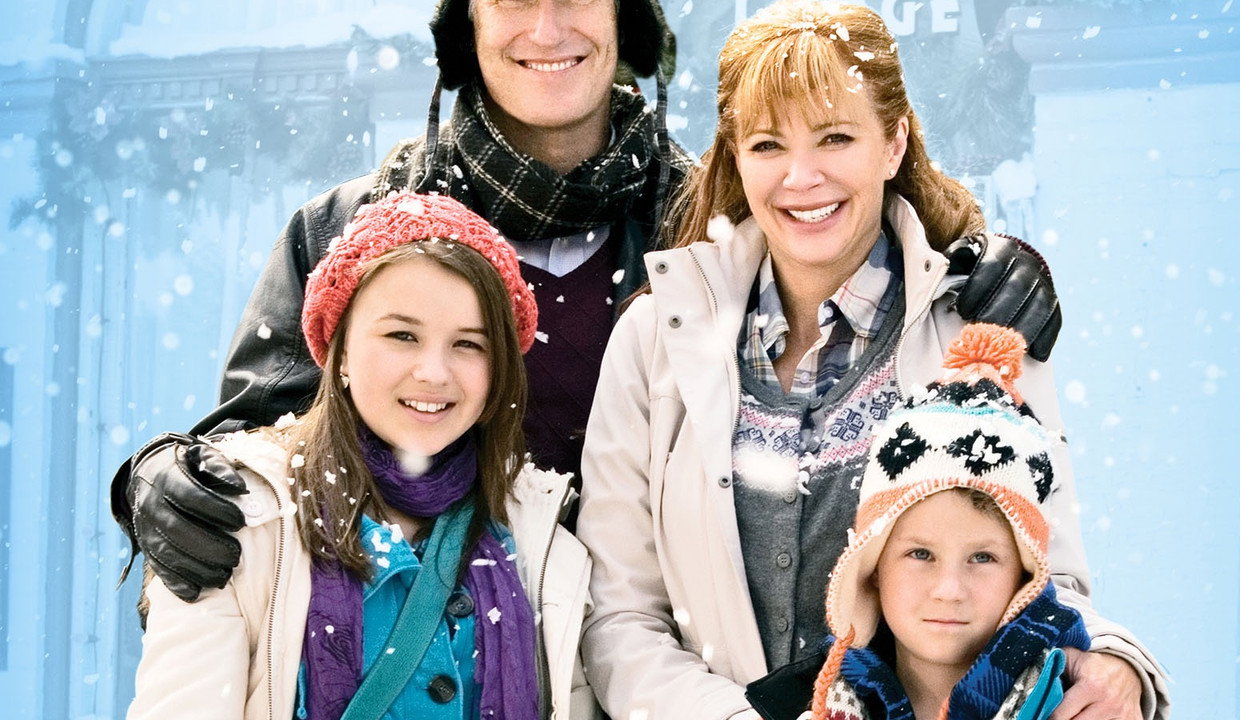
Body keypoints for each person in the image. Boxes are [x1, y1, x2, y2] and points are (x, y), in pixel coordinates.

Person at [111, 0, 1059, 604]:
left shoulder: (705, 229)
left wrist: (990, 263)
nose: (546, 28)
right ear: (467, 25)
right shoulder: (353, 231)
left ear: (625, 20)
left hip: (649, 666)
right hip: (424, 654)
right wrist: (154, 480)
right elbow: (254, 443)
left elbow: (854, 228)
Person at [573, 3, 1168, 720]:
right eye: (767, 145)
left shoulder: (978, 332)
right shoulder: (654, 340)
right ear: (734, 158)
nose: (801, 177)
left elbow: (1048, 580)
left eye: (835, 137)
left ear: (893, 144)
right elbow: (618, 618)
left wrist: (1117, 659)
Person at [128, 192, 596, 720]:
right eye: (402, 335)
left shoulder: (541, 535)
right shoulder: (239, 516)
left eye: (469, 344)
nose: (433, 372)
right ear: (341, 349)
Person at [745, 323, 1093, 720]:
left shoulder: (1085, 708)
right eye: (921, 554)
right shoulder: (802, 709)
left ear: (1025, 577)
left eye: (982, 557)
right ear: (873, 567)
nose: (949, 590)